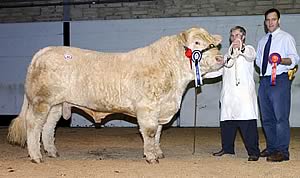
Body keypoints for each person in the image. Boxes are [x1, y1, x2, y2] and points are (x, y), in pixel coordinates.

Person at [256, 8, 299, 162]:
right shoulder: (262, 41)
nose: (270, 22)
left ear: (279, 20)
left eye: (273, 19)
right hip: (264, 81)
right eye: (267, 20)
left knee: (280, 117)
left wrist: (280, 60)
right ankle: (272, 147)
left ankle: (282, 151)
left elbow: (294, 59)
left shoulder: (286, 38)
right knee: (266, 118)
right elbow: (258, 61)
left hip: (280, 79)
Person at [212, 26, 260, 161]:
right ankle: (227, 148)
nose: (235, 38)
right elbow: (218, 72)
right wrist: (199, 74)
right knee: (227, 123)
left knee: (248, 125)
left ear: (243, 37)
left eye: (238, 35)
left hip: (244, 96)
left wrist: (241, 48)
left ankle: (253, 152)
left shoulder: (249, 49)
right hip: (229, 96)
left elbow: (251, 56)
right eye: (232, 36)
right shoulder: (227, 56)